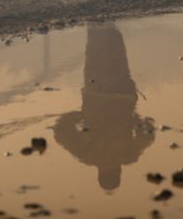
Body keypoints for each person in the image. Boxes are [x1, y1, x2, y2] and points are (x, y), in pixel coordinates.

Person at [53, 23, 155, 190]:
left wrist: (137, 120)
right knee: (95, 49)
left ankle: (108, 18)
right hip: (95, 94)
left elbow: (149, 133)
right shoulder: (88, 156)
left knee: (116, 49)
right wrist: (78, 116)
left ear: (119, 172)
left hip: (123, 94)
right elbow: (61, 132)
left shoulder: (128, 155)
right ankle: (95, 19)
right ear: (100, 173)